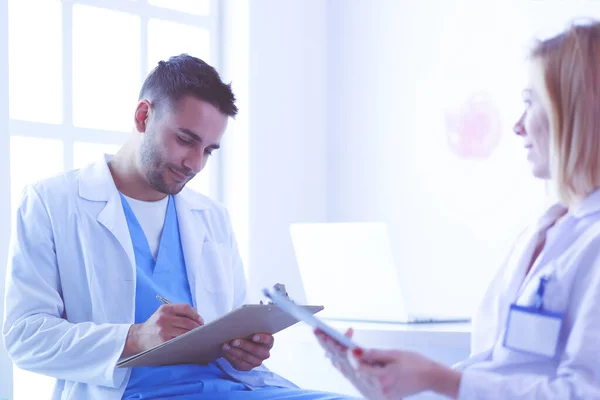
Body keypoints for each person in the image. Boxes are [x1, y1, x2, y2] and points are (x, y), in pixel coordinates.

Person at [3, 54, 356, 400]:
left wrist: (243, 355)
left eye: (208, 150)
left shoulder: (212, 217)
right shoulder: (52, 202)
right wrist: (136, 337)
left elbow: (227, 328)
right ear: (143, 116)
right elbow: (24, 337)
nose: (195, 164)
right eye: (185, 140)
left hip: (230, 388)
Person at [316, 21, 600, 400]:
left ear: (575, 112)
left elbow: (585, 392)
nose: (517, 126)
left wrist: (439, 380)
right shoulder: (547, 227)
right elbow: (495, 365)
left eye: (531, 102)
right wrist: (399, 381)